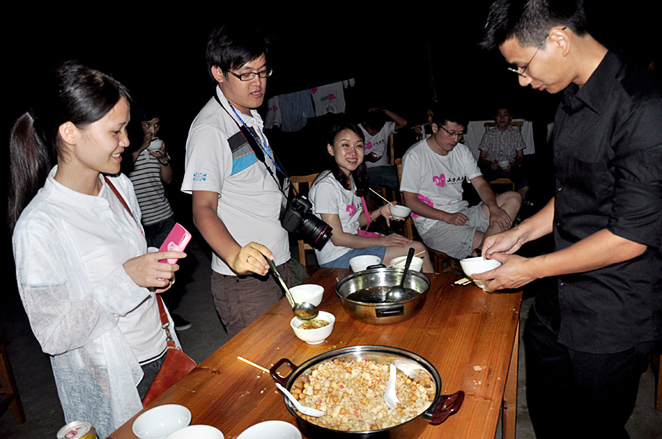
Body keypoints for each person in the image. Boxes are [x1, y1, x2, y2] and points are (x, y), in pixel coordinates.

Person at [478, 1, 662, 438]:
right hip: (557, 303)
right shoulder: (571, 99)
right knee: (548, 420)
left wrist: (530, 269)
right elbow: (575, 191)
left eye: (522, 66)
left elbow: (629, 237)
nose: (523, 80)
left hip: (611, 314)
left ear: (558, 40)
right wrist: (519, 233)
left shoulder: (643, 105)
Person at [8, 61, 185, 438]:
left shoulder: (119, 186)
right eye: (116, 131)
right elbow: (53, 334)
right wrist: (127, 278)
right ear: (70, 132)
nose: (127, 141)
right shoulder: (39, 226)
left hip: (162, 350)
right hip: (117, 379)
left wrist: (150, 278)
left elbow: (130, 270)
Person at [181, 23, 290, 339]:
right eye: (246, 75)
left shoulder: (248, 113)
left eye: (263, 72)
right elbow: (202, 209)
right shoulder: (210, 130)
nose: (258, 84)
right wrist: (234, 255)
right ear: (218, 73)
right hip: (245, 281)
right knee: (260, 374)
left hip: (276, 260)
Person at [400, 105, 522, 260]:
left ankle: (478, 254)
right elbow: (410, 202)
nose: (455, 139)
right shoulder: (415, 156)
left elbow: (481, 184)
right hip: (436, 225)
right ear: (435, 127)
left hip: (464, 214)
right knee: (496, 247)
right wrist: (447, 217)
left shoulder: (461, 151)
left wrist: (493, 207)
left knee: (513, 197)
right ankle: (482, 254)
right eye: (451, 133)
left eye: (459, 134)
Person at [309, 121, 434, 272]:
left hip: (350, 249)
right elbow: (338, 238)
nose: (353, 152)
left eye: (359, 146)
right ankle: (434, 294)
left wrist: (379, 211)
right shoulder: (326, 186)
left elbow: (354, 221)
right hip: (337, 258)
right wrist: (382, 241)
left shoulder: (350, 178)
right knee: (418, 249)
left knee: (410, 247)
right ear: (331, 149)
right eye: (345, 145)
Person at [127, 106, 191, 331]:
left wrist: (164, 158)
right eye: (147, 125)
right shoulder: (125, 149)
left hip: (164, 216)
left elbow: (169, 179)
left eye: (156, 125)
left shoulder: (159, 146)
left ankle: (169, 316)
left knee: (168, 273)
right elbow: (122, 172)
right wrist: (140, 147)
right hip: (140, 225)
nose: (152, 130)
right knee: (145, 277)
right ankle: (152, 322)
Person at [477, 106, 530, 202]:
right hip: (493, 167)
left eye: (505, 115)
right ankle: (495, 199)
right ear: (495, 117)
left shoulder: (516, 134)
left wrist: (513, 164)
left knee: (524, 182)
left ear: (510, 118)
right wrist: (490, 164)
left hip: (511, 167)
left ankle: (517, 202)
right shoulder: (489, 135)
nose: (502, 118)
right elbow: (481, 158)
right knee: (480, 179)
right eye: (499, 115)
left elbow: (521, 157)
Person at [359, 108, 408, 193]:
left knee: (405, 184)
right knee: (367, 190)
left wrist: (384, 111)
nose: (375, 132)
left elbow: (404, 123)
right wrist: (367, 158)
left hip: (385, 168)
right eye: (372, 129)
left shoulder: (385, 127)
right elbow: (352, 156)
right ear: (365, 123)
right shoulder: (357, 131)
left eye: (378, 130)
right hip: (366, 170)